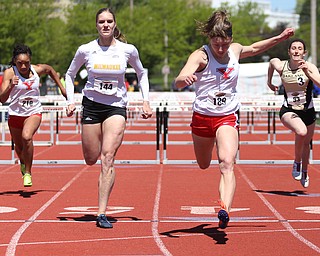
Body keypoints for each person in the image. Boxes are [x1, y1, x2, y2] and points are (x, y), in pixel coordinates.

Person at [174, 10, 294, 229]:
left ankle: (224, 209)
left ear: (230, 40)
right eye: (217, 44)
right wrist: (186, 78)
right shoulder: (200, 56)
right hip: (202, 117)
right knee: (203, 164)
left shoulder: (235, 50)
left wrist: (280, 38)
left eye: (225, 44)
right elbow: (179, 80)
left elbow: (256, 48)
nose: (221, 49)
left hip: (226, 117)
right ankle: (221, 200)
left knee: (227, 163)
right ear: (210, 39)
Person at [65, 7, 152, 229]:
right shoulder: (86, 50)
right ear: (96, 25)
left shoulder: (127, 50)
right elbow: (69, 74)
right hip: (92, 106)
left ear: (114, 24)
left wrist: (145, 100)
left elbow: (141, 73)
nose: (105, 25)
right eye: (101, 21)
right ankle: (101, 200)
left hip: (116, 107)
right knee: (91, 158)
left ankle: (101, 213)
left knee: (108, 157)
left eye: (109, 21)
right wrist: (70, 100)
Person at [0, 44, 66, 187]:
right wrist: (11, 85)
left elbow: (50, 70)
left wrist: (62, 89)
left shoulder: (37, 70)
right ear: (14, 62)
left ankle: (28, 173)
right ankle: (23, 163)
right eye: (20, 63)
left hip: (33, 112)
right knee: (19, 148)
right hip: (15, 114)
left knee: (27, 136)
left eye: (26, 63)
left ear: (30, 61)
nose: (23, 66)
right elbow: (2, 99)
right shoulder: (9, 73)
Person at [267, 39, 320, 188]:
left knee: (306, 146)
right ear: (289, 52)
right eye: (294, 48)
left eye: (300, 49)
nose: (296, 51)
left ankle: (304, 171)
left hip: (308, 111)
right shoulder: (282, 66)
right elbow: (272, 61)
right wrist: (269, 82)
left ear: (304, 52)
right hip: (288, 110)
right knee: (301, 132)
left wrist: (307, 73)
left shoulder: (309, 66)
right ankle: (296, 162)